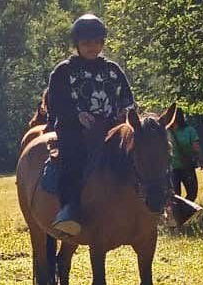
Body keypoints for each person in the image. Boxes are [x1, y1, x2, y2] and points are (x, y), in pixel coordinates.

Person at [45, 14, 135, 237]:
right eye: (86, 43)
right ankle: (70, 211)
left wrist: (126, 110)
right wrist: (77, 116)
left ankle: (162, 202)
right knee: (72, 160)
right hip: (75, 130)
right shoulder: (63, 71)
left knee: (145, 154)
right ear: (77, 44)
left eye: (96, 42)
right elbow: (55, 102)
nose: (92, 47)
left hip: (112, 128)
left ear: (103, 43)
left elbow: (126, 97)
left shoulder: (113, 70)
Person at [169, 107, 203, 201]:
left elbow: (196, 147)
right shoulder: (166, 131)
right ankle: (179, 213)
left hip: (187, 166)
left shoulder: (189, 130)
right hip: (172, 168)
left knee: (192, 193)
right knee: (175, 195)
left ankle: (183, 211)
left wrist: (201, 160)